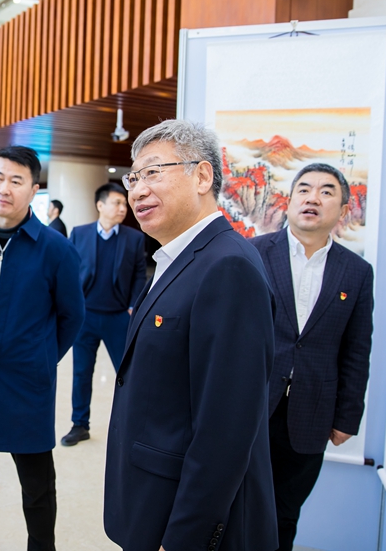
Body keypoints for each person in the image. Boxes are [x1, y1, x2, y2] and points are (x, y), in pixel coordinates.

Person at [104, 120, 278, 551]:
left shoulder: (227, 266)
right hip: (153, 500)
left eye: (152, 172)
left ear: (202, 177)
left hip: (184, 522)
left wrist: (184, 539)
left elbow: (226, 430)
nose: (138, 190)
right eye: (133, 178)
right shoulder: (179, 258)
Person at [0, 145, 84, 551]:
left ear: (33, 190)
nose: (4, 188)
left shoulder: (56, 249)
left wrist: (40, 357)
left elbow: (72, 317)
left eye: (16, 180)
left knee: (37, 490)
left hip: (27, 386)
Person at [249, 164, 374, 551]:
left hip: (310, 414)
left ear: (343, 209)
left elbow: (356, 349)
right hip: (250, 405)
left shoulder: (357, 272)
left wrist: (347, 416)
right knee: (234, 504)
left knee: (284, 514)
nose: (312, 198)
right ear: (290, 201)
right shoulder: (252, 254)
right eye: (304, 189)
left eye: (326, 191)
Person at [61, 183, 147, 447]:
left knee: (127, 374)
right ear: (100, 205)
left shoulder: (134, 238)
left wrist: (133, 306)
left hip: (118, 317)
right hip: (85, 317)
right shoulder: (80, 233)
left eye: (124, 204)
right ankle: (80, 424)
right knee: (81, 373)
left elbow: (139, 275)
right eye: (117, 203)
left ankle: (130, 425)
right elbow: (68, 270)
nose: (123, 208)